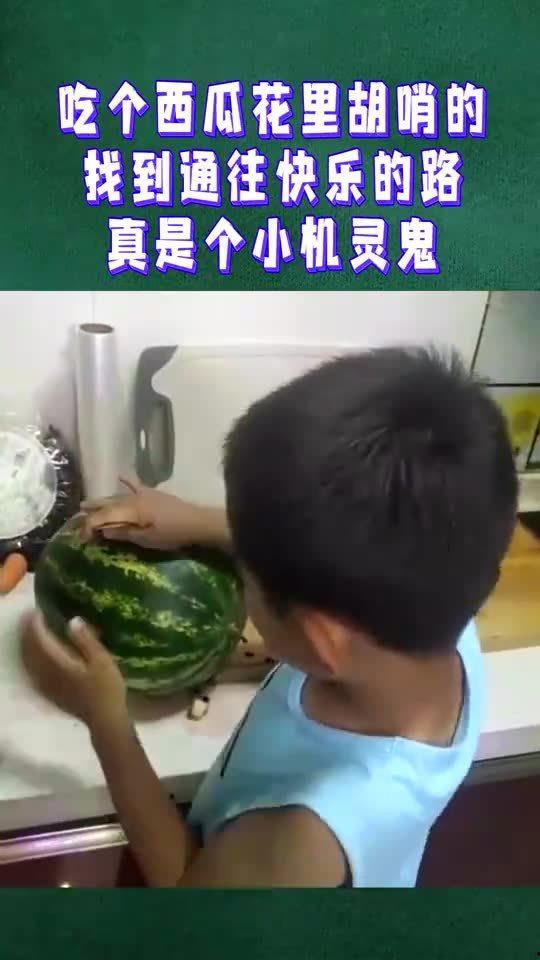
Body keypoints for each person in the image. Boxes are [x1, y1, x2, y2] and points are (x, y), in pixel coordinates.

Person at [21, 346, 518, 888]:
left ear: (320, 641)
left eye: (249, 581)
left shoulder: (301, 840)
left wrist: (108, 725)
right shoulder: (437, 611)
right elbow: (341, 550)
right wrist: (195, 521)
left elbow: (187, 889)